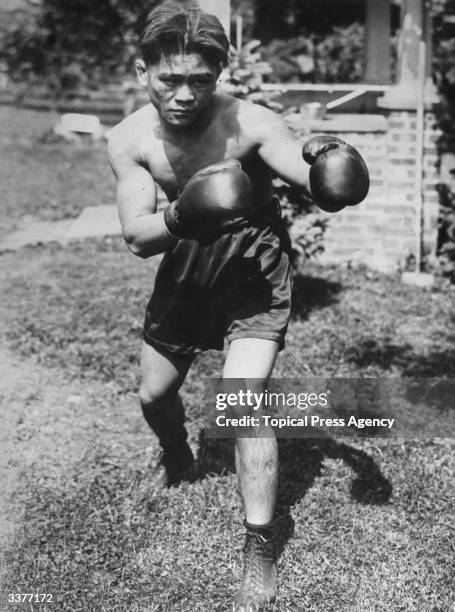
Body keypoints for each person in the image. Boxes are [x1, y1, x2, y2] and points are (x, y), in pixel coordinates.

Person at [107, 1, 369, 610]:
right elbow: (138, 237)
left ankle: (259, 546)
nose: (183, 95)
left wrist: (334, 170)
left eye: (200, 80)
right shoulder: (129, 141)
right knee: (154, 394)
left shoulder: (249, 123)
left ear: (219, 74)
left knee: (241, 400)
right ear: (142, 69)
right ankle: (178, 454)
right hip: (187, 267)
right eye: (168, 79)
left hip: (255, 270)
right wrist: (186, 210)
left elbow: (309, 180)